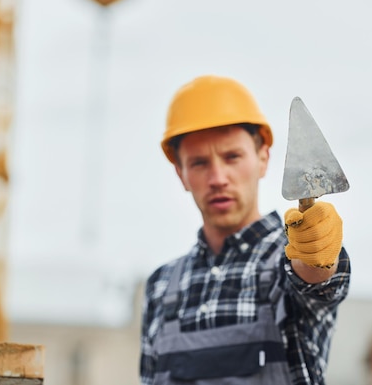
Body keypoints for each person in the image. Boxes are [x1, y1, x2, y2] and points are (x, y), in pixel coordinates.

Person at [140, 75, 351, 385]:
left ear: (263, 158)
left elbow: (315, 279)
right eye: (199, 163)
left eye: (232, 157)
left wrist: (318, 252)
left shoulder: (287, 263)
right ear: (181, 174)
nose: (218, 178)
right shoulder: (160, 286)